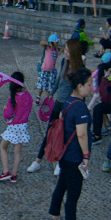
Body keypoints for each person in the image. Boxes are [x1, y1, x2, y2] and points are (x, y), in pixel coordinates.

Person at [46, 67, 93, 220]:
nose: (92, 87)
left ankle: (56, 217)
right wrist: (86, 156)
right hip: (75, 156)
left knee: (62, 186)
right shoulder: (80, 107)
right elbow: (81, 134)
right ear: (80, 86)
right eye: (89, 84)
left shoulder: (68, 101)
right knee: (73, 193)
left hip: (64, 153)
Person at [29, 37, 85, 174]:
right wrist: (51, 94)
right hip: (58, 103)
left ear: (74, 52)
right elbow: (59, 79)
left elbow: (78, 92)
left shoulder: (79, 69)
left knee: (63, 135)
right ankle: (38, 160)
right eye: (65, 50)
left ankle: (60, 162)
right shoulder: (64, 63)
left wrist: (68, 109)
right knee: (50, 131)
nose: (65, 53)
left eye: (68, 50)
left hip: (68, 107)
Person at [0, 71, 32, 183]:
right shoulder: (28, 96)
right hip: (23, 126)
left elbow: (7, 114)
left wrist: (4, 109)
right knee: (17, 151)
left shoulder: (12, 99)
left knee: (3, 147)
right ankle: (14, 174)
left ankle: (5, 171)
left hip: (13, 126)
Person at [36, 34, 60, 105]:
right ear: (52, 42)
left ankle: (46, 100)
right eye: (56, 42)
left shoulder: (56, 50)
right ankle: (39, 96)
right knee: (41, 85)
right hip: (44, 70)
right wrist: (49, 43)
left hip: (51, 71)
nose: (58, 43)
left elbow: (62, 50)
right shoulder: (47, 48)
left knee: (49, 87)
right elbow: (41, 42)